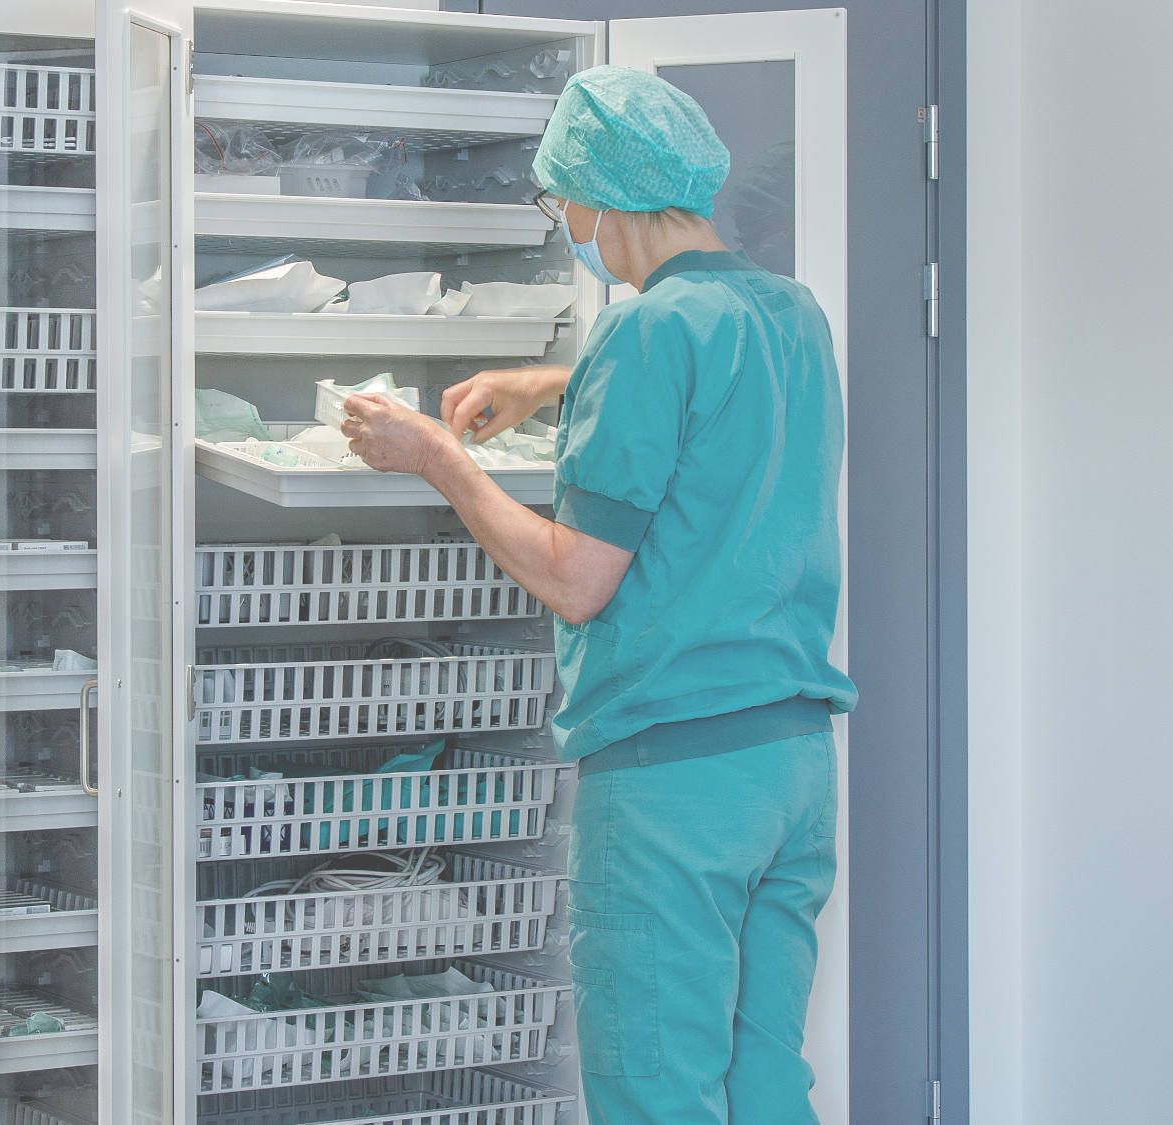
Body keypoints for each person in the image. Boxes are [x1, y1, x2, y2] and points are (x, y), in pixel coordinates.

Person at [339, 66, 858, 1125]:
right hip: (790, 767)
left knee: (657, 1094)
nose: (566, 226)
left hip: (674, 784)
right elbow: (709, 398)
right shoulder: (792, 314)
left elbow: (577, 578)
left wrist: (438, 458)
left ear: (598, 197)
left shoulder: (642, 332)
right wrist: (550, 382)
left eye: (559, 202)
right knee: (765, 1083)